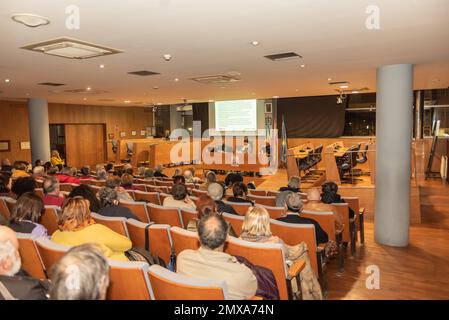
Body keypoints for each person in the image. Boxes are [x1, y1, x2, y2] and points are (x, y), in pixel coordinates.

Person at [240, 206, 323, 300]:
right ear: (266, 223)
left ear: (246, 221)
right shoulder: (275, 242)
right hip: (277, 286)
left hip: (251, 286)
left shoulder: (236, 242)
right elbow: (287, 254)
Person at [176, 214, 257, 300]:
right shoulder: (243, 275)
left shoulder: (182, 258)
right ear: (227, 237)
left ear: (198, 236)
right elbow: (251, 292)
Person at [51, 197, 132, 261]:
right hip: (110, 272)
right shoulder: (96, 230)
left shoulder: (55, 235)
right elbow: (127, 244)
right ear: (86, 212)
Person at [0, 226, 49, 300]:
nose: (19, 254)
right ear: (6, 263)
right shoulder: (28, 291)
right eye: (16, 250)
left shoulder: (14, 274)